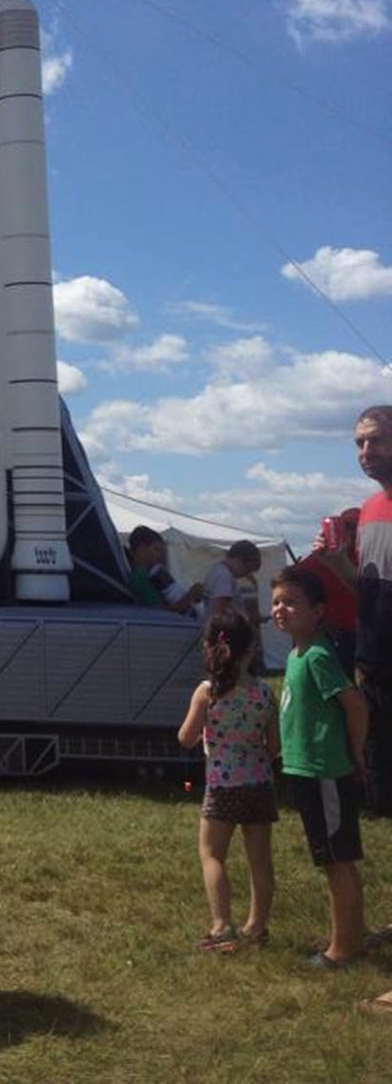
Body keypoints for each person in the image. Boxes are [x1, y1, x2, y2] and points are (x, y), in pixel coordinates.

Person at [271, 565, 368, 968]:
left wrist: (355, 752)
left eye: (291, 602)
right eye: (276, 601)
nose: (280, 609)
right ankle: (352, 937)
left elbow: (356, 706)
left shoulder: (317, 656)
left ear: (318, 611)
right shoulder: (296, 654)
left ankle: (342, 949)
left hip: (324, 770)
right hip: (305, 771)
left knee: (335, 860)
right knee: (333, 857)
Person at [177, 610, 279, 950]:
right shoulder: (265, 693)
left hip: (223, 785)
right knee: (260, 859)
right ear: (251, 650)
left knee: (212, 855)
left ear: (210, 649)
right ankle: (257, 927)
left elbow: (186, 738)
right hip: (259, 784)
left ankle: (222, 926)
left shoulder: (207, 692)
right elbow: (275, 746)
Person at [354, 406, 392, 818]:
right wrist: (334, 563)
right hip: (374, 653)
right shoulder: (368, 508)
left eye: (377, 439)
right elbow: (365, 585)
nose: (367, 450)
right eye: (360, 443)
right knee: (378, 738)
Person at [302, 508, 361, 677]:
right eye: (344, 526)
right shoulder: (321, 558)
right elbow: (290, 583)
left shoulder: (366, 558)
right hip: (326, 633)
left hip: (359, 635)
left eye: (353, 526)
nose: (349, 531)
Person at [126, 525, 204, 615]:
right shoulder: (141, 577)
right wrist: (190, 596)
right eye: (156, 549)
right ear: (142, 548)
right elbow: (159, 614)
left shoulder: (148, 574)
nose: (160, 555)